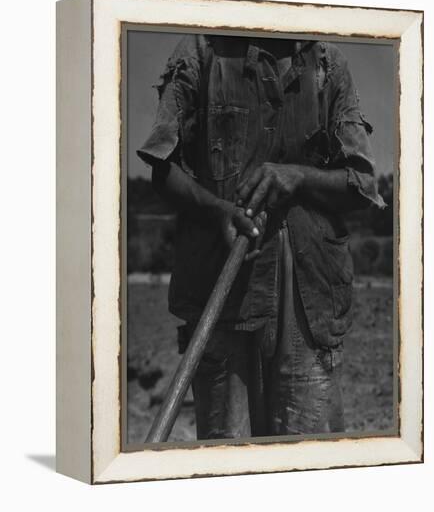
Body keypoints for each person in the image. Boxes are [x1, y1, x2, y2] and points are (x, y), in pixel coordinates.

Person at [137, 35, 385, 440]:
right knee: (228, 461)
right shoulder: (201, 52)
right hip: (220, 290)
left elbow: (362, 183)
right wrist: (216, 209)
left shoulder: (328, 63)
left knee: (309, 464)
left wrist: (298, 176)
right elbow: (163, 168)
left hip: (310, 298)